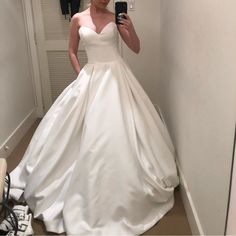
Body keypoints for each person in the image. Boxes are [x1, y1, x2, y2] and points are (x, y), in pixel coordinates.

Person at [9, 0, 179, 235]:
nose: (106, 0)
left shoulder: (114, 18)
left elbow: (136, 47)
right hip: (90, 76)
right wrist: (81, 75)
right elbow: (71, 49)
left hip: (117, 75)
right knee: (73, 130)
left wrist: (130, 29)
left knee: (121, 129)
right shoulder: (78, 19)